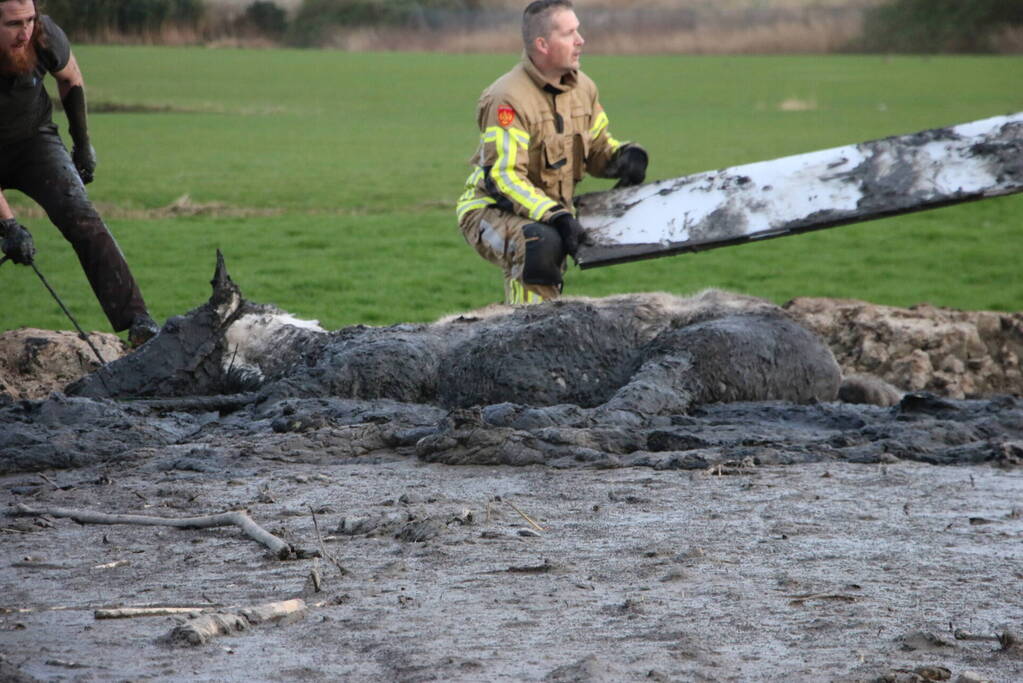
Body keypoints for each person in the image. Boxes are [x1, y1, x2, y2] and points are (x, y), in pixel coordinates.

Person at [456, 0, 647, 304]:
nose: (580, 40)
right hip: (488, 210)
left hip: (547, 214)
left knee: (547, 244)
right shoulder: (507, 99)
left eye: (578, 31)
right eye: (570, 33)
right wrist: (556, 216)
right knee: (539, 244)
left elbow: (597, 147)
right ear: (542, 44)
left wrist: (623, 157)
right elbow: (503, 177)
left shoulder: (584, 88)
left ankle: (542, 330)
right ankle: (525, 336)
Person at [0, 0, 158, 346]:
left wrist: (83, 144)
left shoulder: (43, 35)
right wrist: (9, 224)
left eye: (29, 19)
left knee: (82, 215)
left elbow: (71, 78)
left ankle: (139, 323)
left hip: (33, 141)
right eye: (13, 24)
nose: (24, 31)